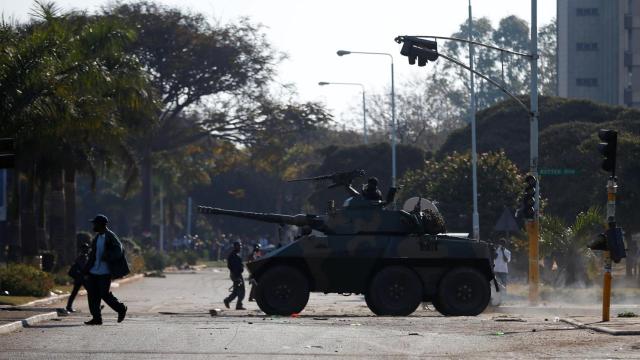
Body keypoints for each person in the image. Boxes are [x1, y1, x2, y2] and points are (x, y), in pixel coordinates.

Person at [83, 214, 129, 325]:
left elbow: (119, 250)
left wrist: (108, 255)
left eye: (95, 223)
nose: (93, 225)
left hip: (105, 271)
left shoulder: (110, 236)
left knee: (104, 294)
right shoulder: (97, 237)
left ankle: (121, 308)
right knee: (92, 294)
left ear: (101, 225)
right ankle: (97, 318)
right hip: (94, 270)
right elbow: (92, 255)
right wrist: (86, 270)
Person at [66, 239, 90, 312]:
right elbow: (83, 268)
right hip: (82, 278)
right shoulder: (82, 257)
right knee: (91, 292)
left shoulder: (83, 257)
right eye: (86, 248)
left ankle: (68, 306)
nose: (87, 250)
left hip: (80, 278)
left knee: (74, 292)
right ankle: (68, 306)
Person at [223, 241, 246, 310]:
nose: (240, 248)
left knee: (236, 291)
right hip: (236, 275)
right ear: (235, 246)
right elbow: (232, 267)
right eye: (239, 246)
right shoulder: (233, 256)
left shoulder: (235, 255)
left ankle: (227, 300)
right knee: (242, 290)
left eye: (240, 246)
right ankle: (239, 305)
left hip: (237, 274)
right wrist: (237, 277)